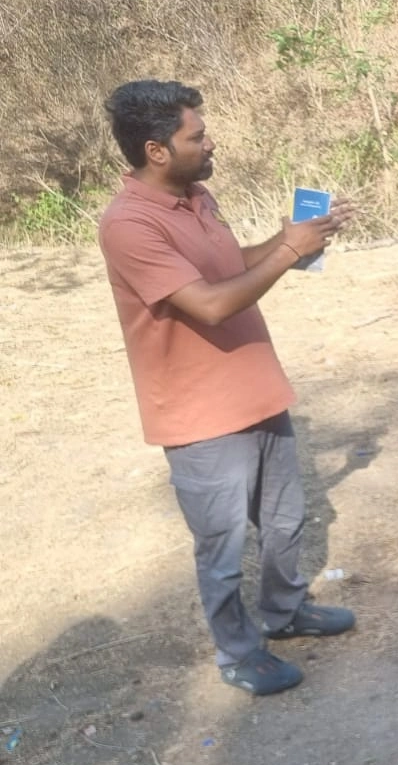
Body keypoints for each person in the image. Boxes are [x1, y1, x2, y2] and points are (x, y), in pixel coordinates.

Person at [97, 80, 356, 697]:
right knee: (222, 545)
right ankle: (238, 653)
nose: (210, 143)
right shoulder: (127, 224)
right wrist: (288, 250)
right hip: (199, 415)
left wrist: (296, 240)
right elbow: (209, 304)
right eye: (197, 136)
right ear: (156, 150)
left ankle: (285, 611)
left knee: (285, 519)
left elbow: (230, 266)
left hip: (257, 389)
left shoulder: (197, 196)